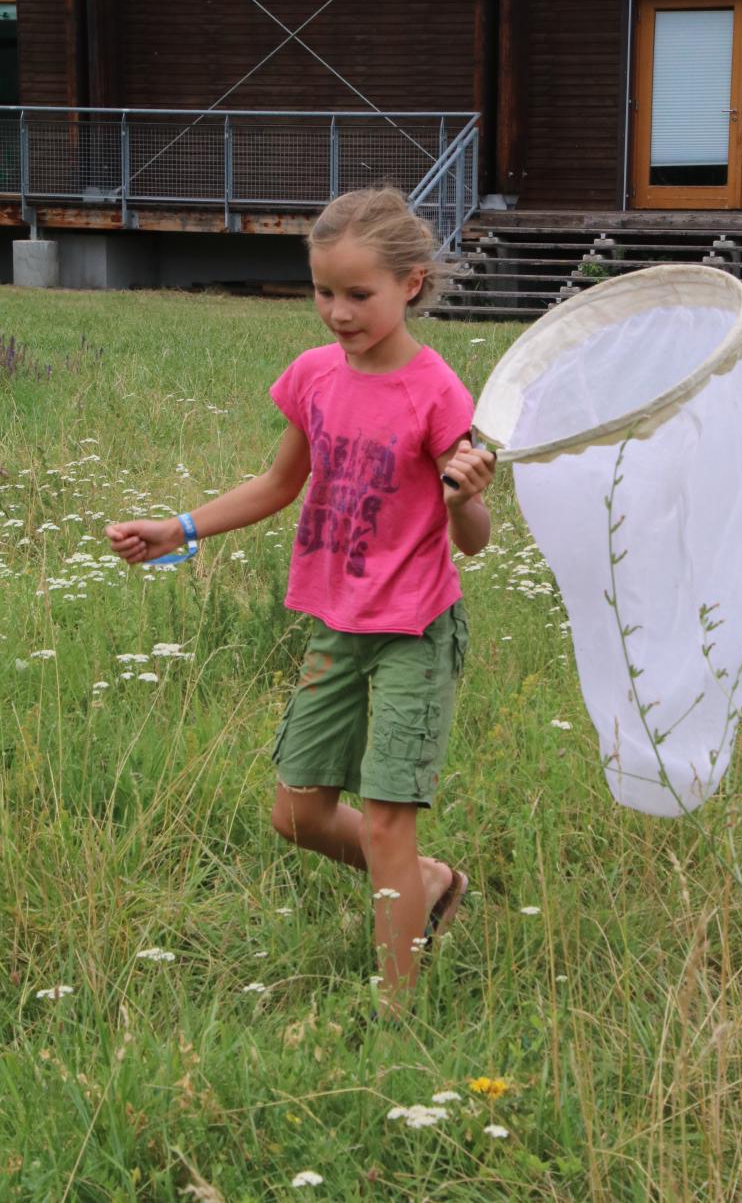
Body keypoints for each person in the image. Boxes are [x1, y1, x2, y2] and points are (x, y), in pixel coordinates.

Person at [105, 187, 495, 1016]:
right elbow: (279, 484)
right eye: (324, 291)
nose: (338, 313)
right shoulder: (315, 376)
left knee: (388, 821)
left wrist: (465, 497)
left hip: (415, 629)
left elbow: (476, 538)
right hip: (337, 624)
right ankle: (426, 884)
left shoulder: (437, 392)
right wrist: (178, 527)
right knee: (297, 812)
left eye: (360, 294)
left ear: (412, 285)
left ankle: (393, 1012)